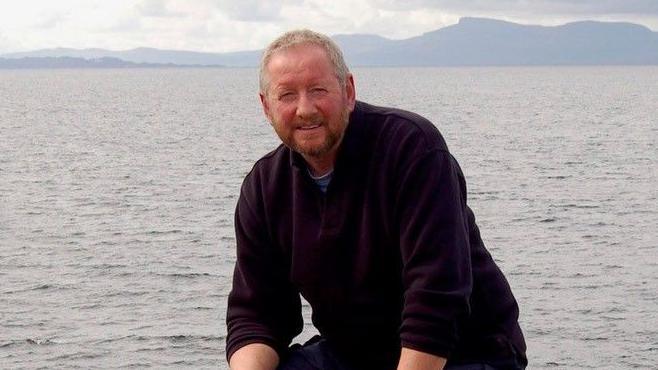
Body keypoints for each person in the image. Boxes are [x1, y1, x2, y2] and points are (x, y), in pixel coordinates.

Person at [226, 29, 527, 370]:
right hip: (354, 354)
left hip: (466, 352)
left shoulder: (413, 149)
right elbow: (256, 315)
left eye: (318, 90)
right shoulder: (264, 187)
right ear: (267, 107)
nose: (305, 109)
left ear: (348, 91)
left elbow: (436, 301)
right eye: (287, 95)